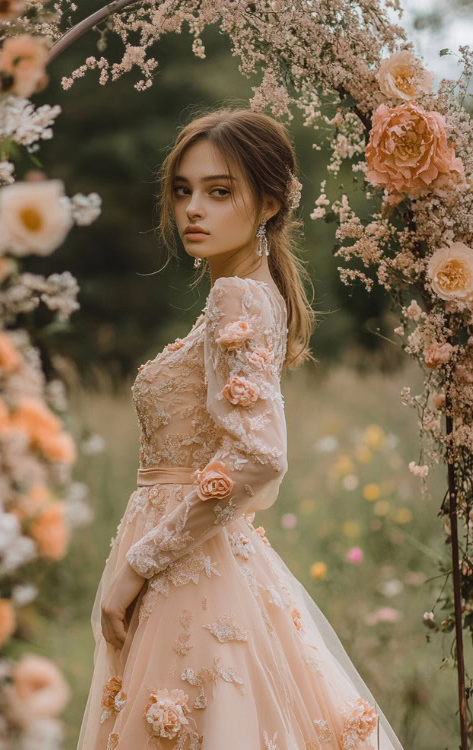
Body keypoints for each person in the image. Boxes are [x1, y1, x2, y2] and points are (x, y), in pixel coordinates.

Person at [77, 107, 404, 750]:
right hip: (195, 557)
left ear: (269, 204)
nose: (194, 208)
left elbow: (258, 456)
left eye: (219, 191)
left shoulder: (239, 298)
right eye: (183, 191)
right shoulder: (245, 291)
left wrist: (138, 566)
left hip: (184, 567)